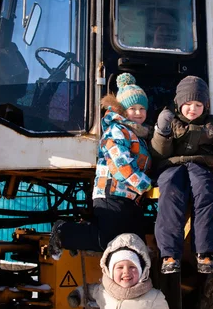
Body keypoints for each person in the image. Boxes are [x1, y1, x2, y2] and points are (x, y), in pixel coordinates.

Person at [151, 75, 213, 274]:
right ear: (179, 103)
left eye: (198, 104)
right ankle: (169, 254)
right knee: (171, 194)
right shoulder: (170, 120)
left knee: (205, 194)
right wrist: (161, 132)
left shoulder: (211, 124)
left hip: (200, 166)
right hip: (172, 166)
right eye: (188, 103)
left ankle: (205, 253)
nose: (193, 109)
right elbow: (159, 153)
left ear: (205, 105)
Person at [49, 73, 152, 258]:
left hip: (130, 198)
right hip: (112, 193)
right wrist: (144, 183)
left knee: (136, 242)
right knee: (108, 239)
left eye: (142, 108)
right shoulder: (117, 130)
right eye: (133, 108)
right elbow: (120, 165)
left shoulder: (137, 134)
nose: (138, 112)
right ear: (122, 110)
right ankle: (64, 233)